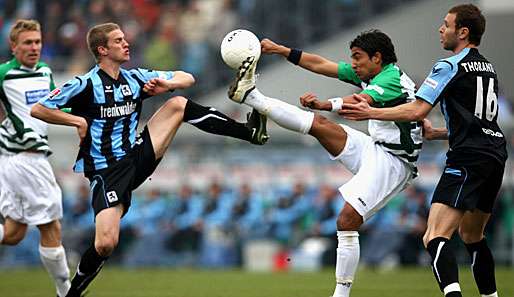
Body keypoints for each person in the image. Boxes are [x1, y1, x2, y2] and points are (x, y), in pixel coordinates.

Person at [30, 22, 267, 297]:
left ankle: (250, 132)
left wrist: (167, 84)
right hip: (107, 172)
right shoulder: (85, 84)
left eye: (124, 38)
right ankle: (72, 294)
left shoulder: (135, 78)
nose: (126, 43)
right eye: (118, 41)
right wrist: (77, 121)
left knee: (177, 104)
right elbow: (40, 109)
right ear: (102, 49)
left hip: (137, 155)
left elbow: (187, 77)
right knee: (106, 243)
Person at [228, 29, 422, 297]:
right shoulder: (371, 73)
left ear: (377, 58)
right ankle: (252, 96)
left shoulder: (390, 79)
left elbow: (358, 102)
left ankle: (340, 295)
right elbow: (321, 65)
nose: (353, 64)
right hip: (374, 148)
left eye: (358, 57)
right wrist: (281, 49)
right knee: (319, 126)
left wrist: (324, 103)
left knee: (346, 220)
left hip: (395, 162)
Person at [340, 4, 506, 297]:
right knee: (472, 236)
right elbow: (482, 121)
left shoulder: (449, 65)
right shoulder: (487, 67)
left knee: (434, 236)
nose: (441, 29)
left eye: (446, 24)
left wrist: (371, 113)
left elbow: (417, 108)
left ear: (463, 32)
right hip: (494, 155)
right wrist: (440, 132)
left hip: (467, 157)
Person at [0, 19, 71, 297]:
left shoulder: (44, 71)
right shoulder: (4, 74)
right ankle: (67, 291)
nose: (33, 48)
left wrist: (77, 117)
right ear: (13, 46)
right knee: (51, 226)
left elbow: (54, 105)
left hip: (17, 161)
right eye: (27, 43)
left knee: (14, 234)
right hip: (25, 159)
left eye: (37, 42)